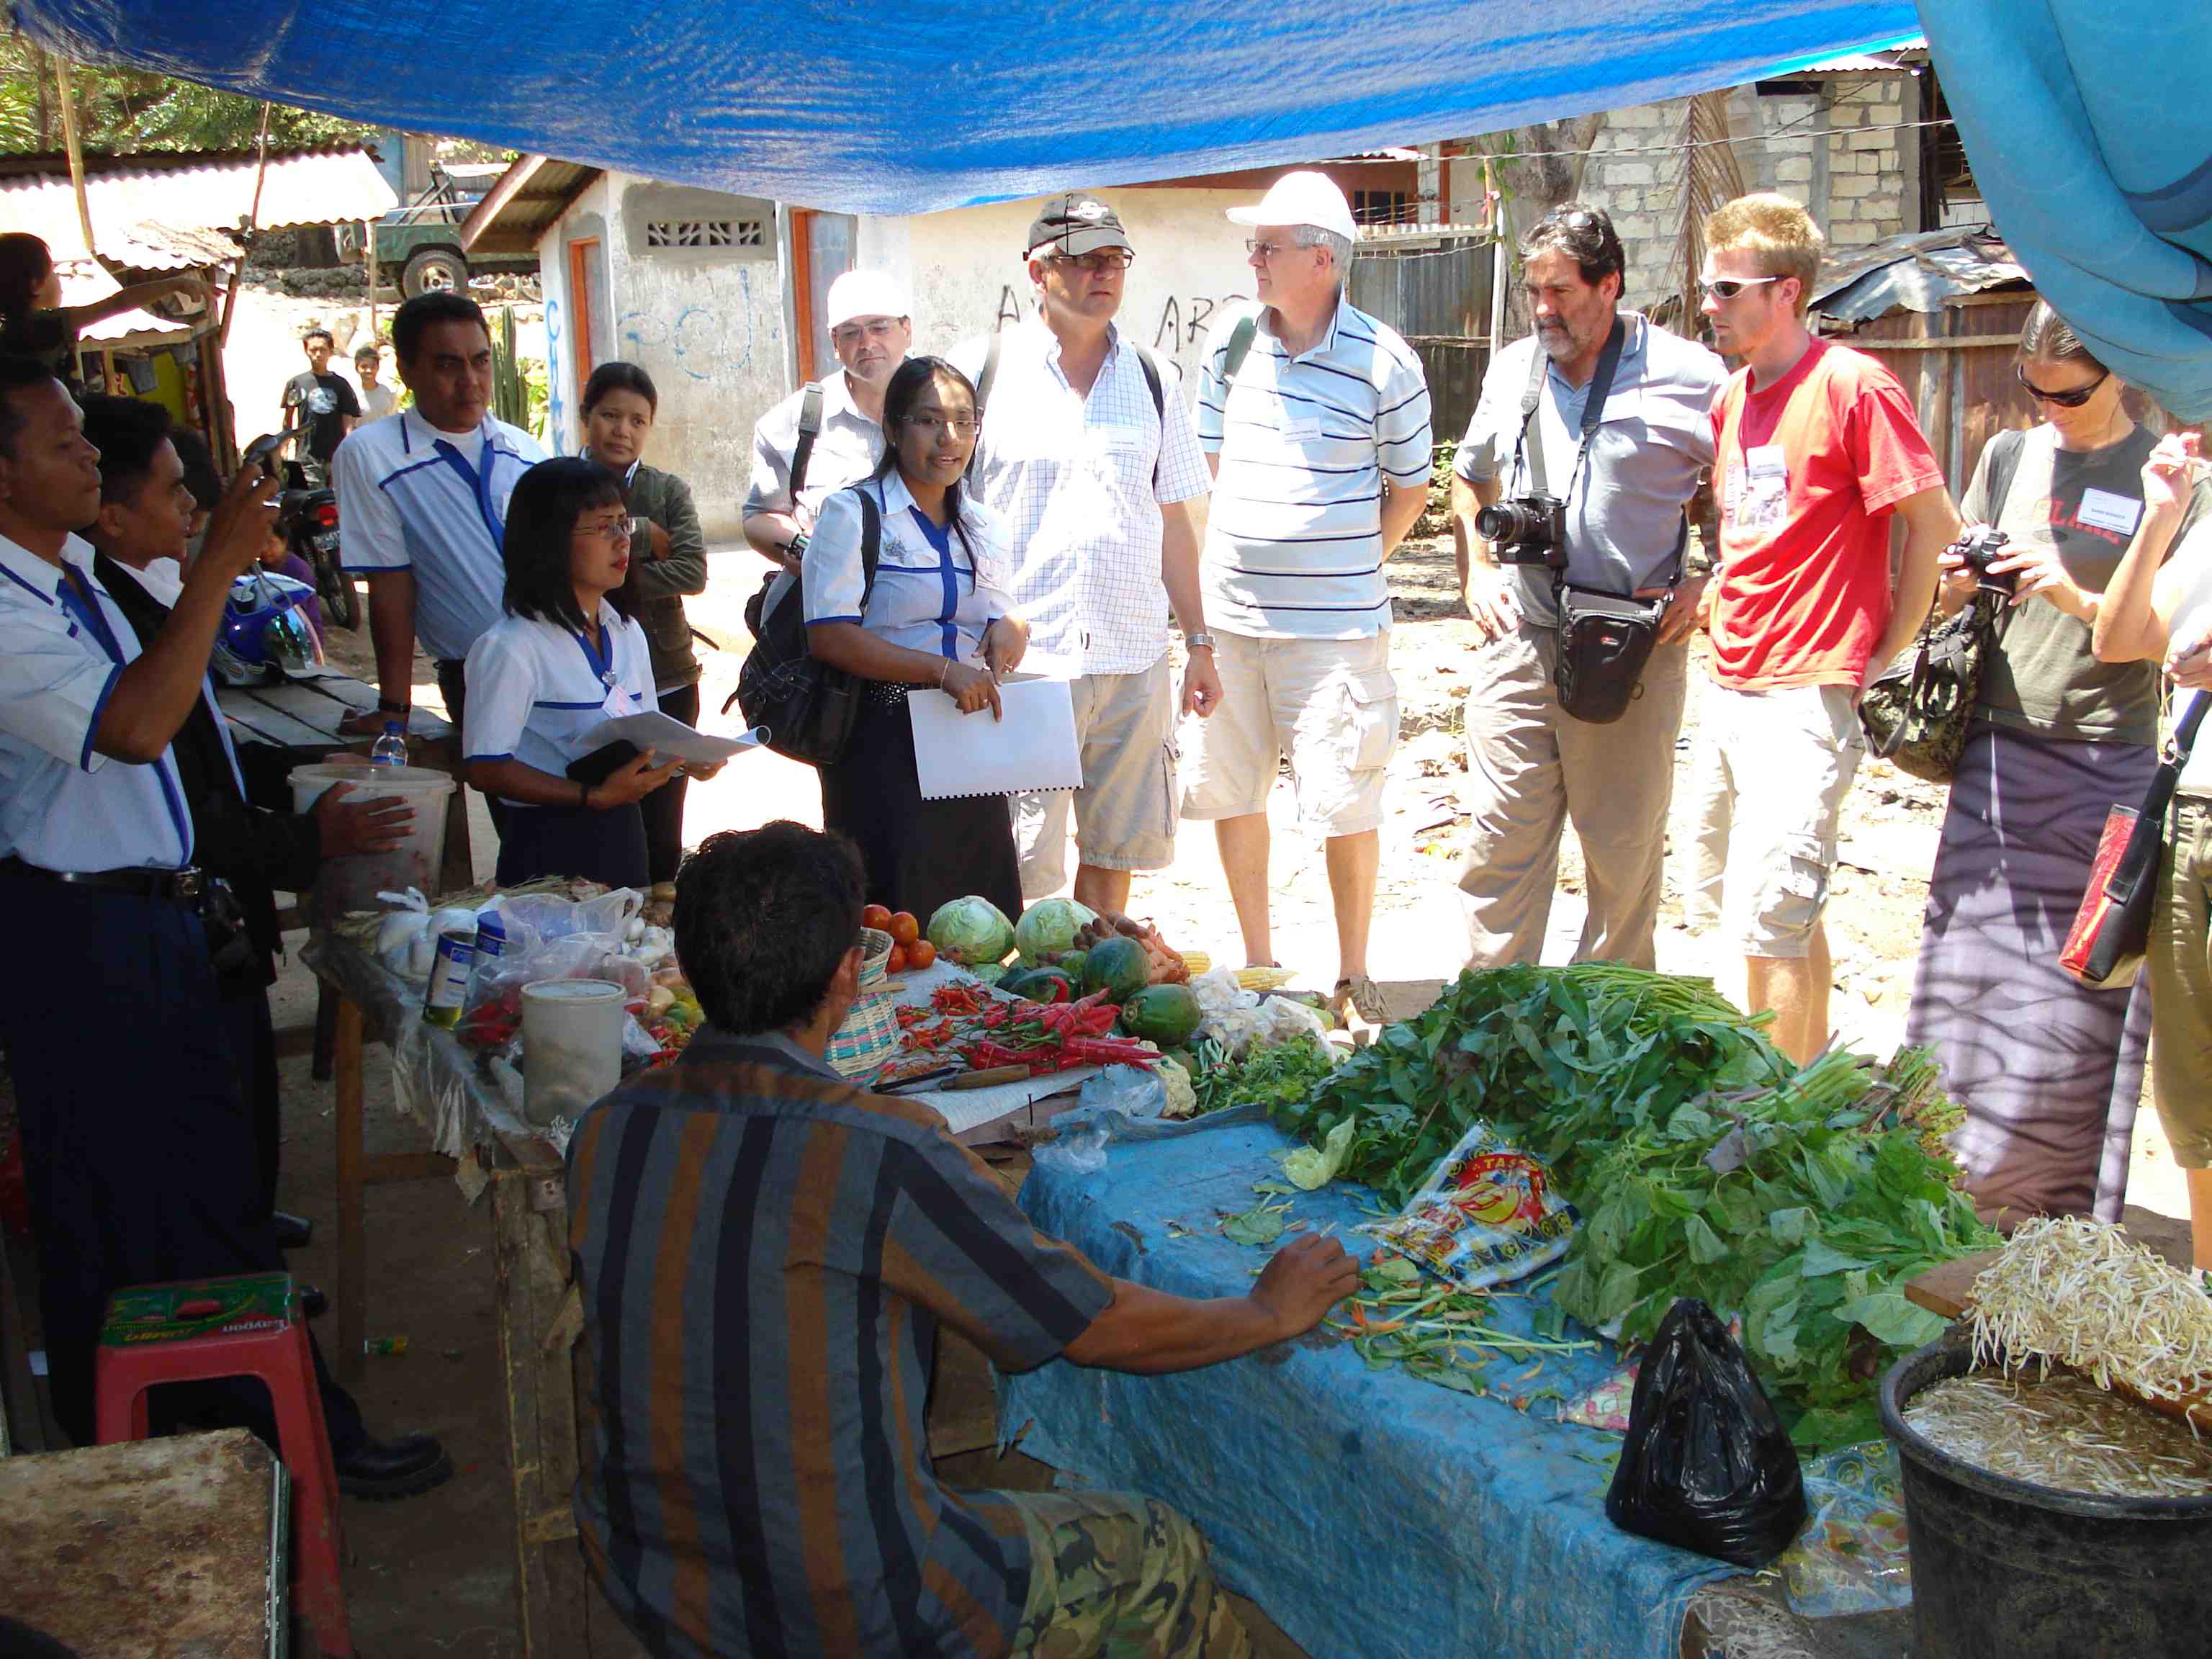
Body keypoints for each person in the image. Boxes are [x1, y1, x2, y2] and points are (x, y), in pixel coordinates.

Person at [567, 820, 1357, 1658]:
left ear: (690, 969)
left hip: (647, 1572)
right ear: (848, 974)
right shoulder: (877, 1149)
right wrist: (1264, 1313)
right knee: (1159, 1544)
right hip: (841, 1609)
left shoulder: (610, 1126)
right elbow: (1092, 1325)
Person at [0, 356, 447, 1493]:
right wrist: (212, 566)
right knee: (122, 1209)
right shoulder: (7, 611)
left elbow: (188, 733)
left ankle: (270, 1435)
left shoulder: (78, 583)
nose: (87, 460)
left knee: (204, 1197)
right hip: (79, 937)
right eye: (63, 446)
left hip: (152, 923)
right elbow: (141, 725)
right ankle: (164, 1466)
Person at [76, 393, 412, 1246]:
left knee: (238, 1100)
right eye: (170, 489)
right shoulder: (112, 609)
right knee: (198, 1129)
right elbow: (168, 781)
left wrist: (298, 775)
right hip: (160, 903)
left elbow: (206, 750)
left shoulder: (139, 595)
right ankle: (234, 1263)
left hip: (208, 899)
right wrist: (304, 839)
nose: (192, 506)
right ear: (110, 515)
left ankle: (248, 1230)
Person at [1905, 306, 2206, 1223]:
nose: (2051, 409)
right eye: (2033, 391)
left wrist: (2068, 592)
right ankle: (1941, 1183)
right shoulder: (2010, 456)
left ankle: (2047, 1212)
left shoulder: (2165, 480)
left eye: (2068, 394)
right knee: (1969, 979)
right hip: (1998, 742)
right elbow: (1950, 587)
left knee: (2070, 999)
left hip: (2101, 755)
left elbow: (2148, 641)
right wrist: (1961, 579)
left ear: (2118, 374)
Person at [1689, 193, 1958, 1065]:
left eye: (1729, 289)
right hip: (1732, 680)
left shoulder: (1852, 385)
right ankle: (1806, 1092)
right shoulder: (1733, 399)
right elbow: (1752, 530)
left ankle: (1771, 1114)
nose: (1710, 306)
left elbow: (1934, 521)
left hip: (1806, 689)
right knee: (1768, 908)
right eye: (1709, 287)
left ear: (1789, 292)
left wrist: (1887, 650)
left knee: (1771, 917)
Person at [1183, 171, 1433, 1020]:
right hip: (1233, 621)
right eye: (1253, 245)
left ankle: (1352, 977)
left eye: (1269, 246)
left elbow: (1410, 489)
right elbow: (1208, 465)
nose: (1251, 258)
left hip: (1336, 635)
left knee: (1342, 801)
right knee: (1232, 791)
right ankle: (1261, 968)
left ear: (1322, 260)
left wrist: (1348, 564)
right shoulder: (1231, 339)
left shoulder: (1384, 360)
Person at [1449, 202, 1725, 970]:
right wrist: (1477, 568)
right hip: (1520, 642)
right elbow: (1467, 482)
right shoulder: (1513, 369)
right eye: (1533, 291)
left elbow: (1741, 494)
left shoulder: (1692, 376)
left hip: (1629, 647)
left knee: (1621, 854)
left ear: (1611, 286)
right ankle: (1492, 1029)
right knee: (1500, 845)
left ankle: (1607, 1038)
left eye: (1562, 291)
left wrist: (1712, 579)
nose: (1544, 310)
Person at [953, 192, 1220, 914]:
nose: (1102, 274)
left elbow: (1175, 519)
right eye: (1082, 259)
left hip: (1132, 658)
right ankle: (1015, 1017)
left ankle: (1085, 1008)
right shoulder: (979, 373)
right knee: (1018, 868)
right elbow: (940, 514)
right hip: (1022, 666)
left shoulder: (1154, 377)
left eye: (1114, 259)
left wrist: (1198, 641)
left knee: (1115, 855)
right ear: (1037, 271)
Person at [801, 356, 1029, 921]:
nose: (949, 438)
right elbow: (830, 636)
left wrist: (1012, 627)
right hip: (880, 738)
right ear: (893, 427)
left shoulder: (985, 524)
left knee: (980, 911)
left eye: (964, 421)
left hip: (970, 735)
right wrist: (941, 672)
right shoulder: (852, 512)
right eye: (929, 420)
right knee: (898, 911)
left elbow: (1000, 611)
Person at [463, 458, 704, 888]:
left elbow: (647, 737)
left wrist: (688, 759)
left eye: (624, 524)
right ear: (549, 541)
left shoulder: (627, 631)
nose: (622, 541)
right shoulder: (511, 647)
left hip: (623, 837)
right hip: (547, 848)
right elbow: (486, 769)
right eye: (602, 527)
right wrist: (591, 797)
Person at [331, 291, 547, 761]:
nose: (470, 381)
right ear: (407, 370)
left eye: (481, 362)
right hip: (478, 678)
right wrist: (394, 710)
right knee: (525, 817)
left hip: (563, 663)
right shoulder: (372, 455)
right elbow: (391, 588)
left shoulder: (527, 452)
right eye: (448, 365)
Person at [2093, 427, 2212, 1268]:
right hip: (2191, 817)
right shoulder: (2203, 522)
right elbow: (2120, 635)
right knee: (2194, 1092)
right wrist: (2161, 517)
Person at [581, 361, 709, 884]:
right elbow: (551, 561)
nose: (623, 430)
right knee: (600, 821)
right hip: (588, 682)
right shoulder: (560, 487)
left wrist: (604, 570)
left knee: (662, 828)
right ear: (587, 416)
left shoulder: (668, 490)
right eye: (610, 415)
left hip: (668, 676)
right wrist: (638, 534)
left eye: (637, 420)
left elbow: (693, 570)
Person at [744, 269, 912, 572]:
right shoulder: (794, 422)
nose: (867, 343)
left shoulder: (947, 408)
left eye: (879, 327)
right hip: (830, 607)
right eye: (851, 332)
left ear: (907, 330)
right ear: (835, 343)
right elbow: (759, 517)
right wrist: (807, 550)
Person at [0, 232, 208, 385]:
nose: (59, 279)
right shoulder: (43, 325)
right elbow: (118, 303)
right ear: (35, 285)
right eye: (53, 273)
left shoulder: (14, 331)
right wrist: (175, 284)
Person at [280, 328, 361, 471]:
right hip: (307, 456)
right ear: (306, 351)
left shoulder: (341, 385)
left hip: (336, 456)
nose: (318, 354)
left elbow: (348, 422)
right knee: (311, 493)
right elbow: (288, 420)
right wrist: (284, 447)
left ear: (331, 351)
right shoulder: (297, 383)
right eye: (313, 350)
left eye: (323, 349)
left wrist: (349, 448)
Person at [354, 341, 398, 422]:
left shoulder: (387, 392)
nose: (369, 370)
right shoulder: (353, 395)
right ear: (357, 368)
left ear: (378, 367)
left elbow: (393, 419)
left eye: (372, 366)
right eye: (364, 366)